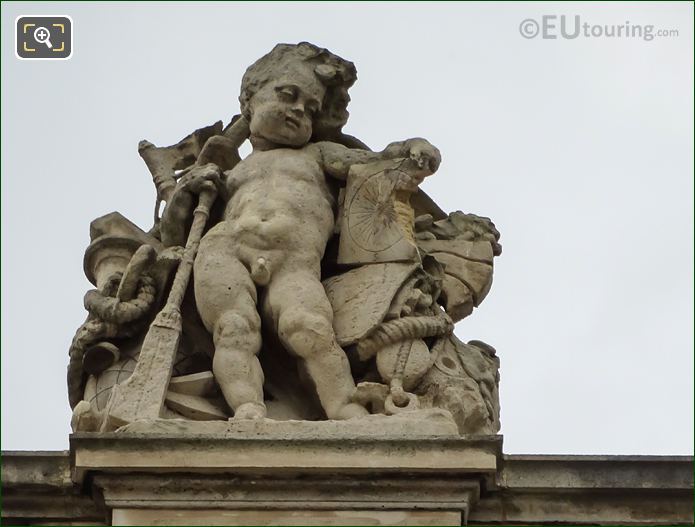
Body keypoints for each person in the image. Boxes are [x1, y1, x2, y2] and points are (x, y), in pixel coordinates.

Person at [163, 43, 440, 420]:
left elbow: (377, 163)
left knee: (308, 327)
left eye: (309, 108)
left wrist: (411, 151)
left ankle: (343, 407)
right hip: (225, 247)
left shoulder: (319, 154)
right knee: (233, 328)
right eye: (287, 96)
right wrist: (186, 192)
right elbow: (175, 233)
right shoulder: (230, 172)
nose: (297, 110)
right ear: (249, 102)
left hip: (294, 259)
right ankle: (247, 408)